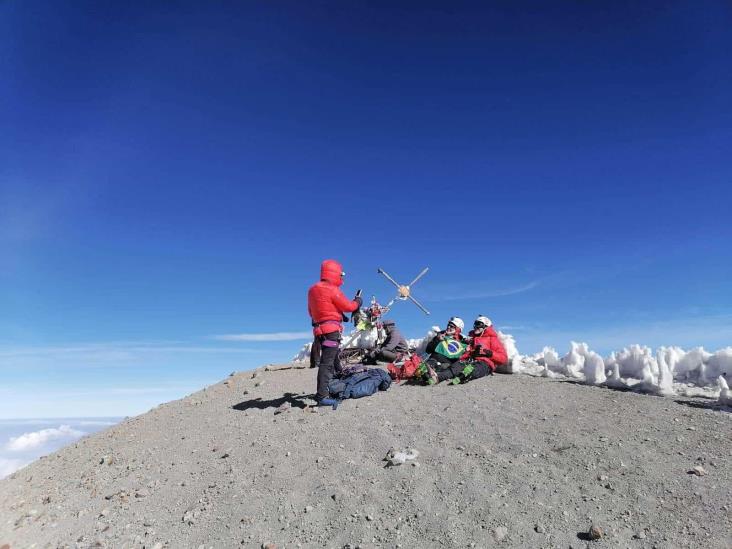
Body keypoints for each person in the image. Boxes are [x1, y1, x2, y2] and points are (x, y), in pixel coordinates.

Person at [307, 259, 362, 405]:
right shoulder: (332, 289)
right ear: (335, 273)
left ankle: (337, 382)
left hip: (319, 332)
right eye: (341, 274)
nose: (342, 277)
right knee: (327, 363)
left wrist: (337, 315)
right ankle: (322, 396)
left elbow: (311, 311)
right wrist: (358, 301)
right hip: (332, 332)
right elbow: (349, 306)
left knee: (333, 357)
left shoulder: (312, 290)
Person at [424, 315, 507, 385]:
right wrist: (467, 352)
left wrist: (488, 353)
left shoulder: (492, 339)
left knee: (476, 368)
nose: (476, 326)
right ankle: (438, 378)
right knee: (457, 366)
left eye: (479, 324)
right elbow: (463, 353)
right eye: (475, 324)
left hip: (484, 362)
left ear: (486, 326)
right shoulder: (470, 339)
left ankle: (465, 375)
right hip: (468, 360)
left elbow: (503, 357)